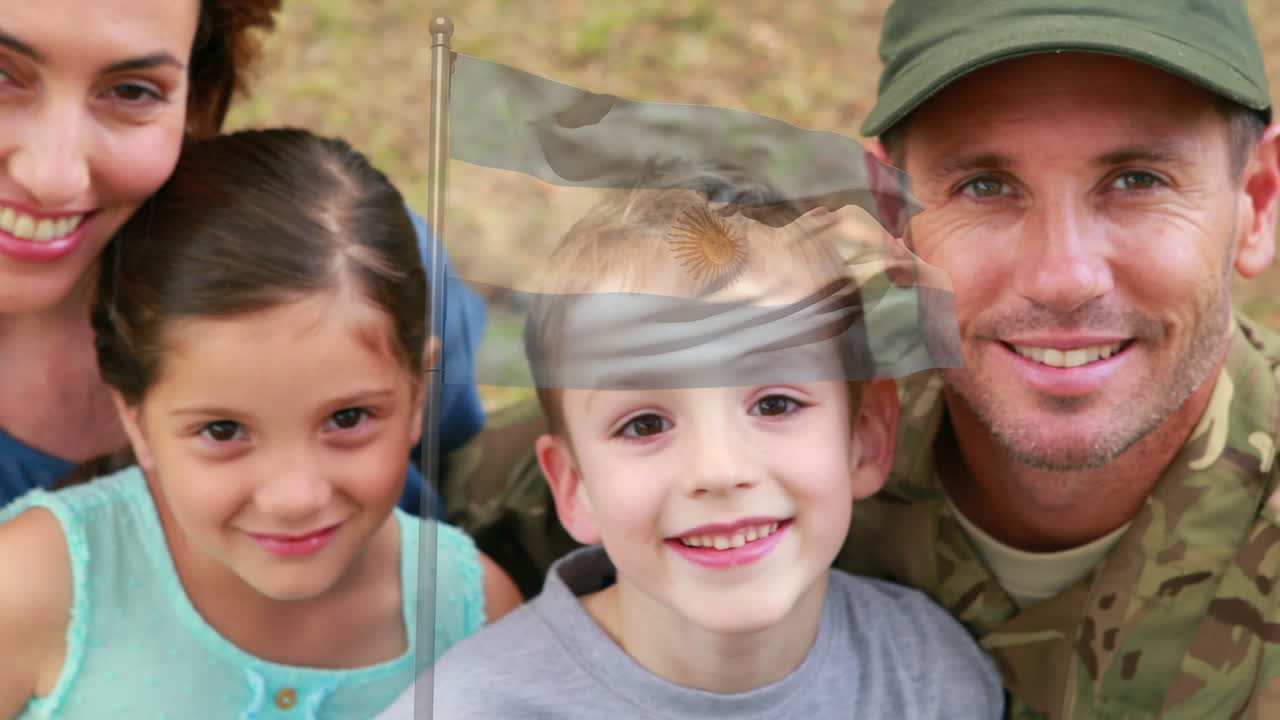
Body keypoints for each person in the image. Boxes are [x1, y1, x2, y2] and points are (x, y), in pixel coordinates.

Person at [442, 0, 1280, 716]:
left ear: (1257, 200)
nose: (1063, 277)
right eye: (985, 186)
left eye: (1138, 180)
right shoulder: (785, 370)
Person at [378, 180, 1003, 719]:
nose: (718, 471)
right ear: (574, 487)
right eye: (645, 424)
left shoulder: (930, 677)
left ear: (864, 438)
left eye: (775, 404)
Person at [0, 128, 521, 719]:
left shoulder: (471, 613)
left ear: (419, 393)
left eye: (348, 418)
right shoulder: (32, 587)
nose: (295, 497)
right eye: (223, 431)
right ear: (136, 419)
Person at [0, 0, 486, 515]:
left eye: (132, 91)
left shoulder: (361, 274)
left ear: (197, 96)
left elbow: (458, 474)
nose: (53, 177)